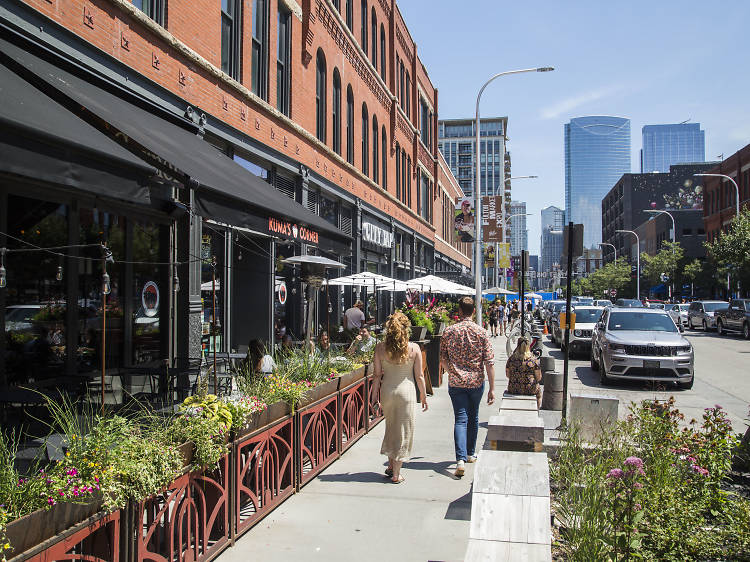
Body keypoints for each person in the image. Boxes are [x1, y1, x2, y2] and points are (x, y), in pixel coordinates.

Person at [440, 297, 495, 477]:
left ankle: (460, 459)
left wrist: (452, 372)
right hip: (476, 382)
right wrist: (493, 388)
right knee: (474, 417)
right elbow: (489, 362)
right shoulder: (481, 332)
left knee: (460, 419)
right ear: (473, 311)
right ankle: (470, 453)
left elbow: (443, 359)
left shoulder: (449, 331)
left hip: (456, 382)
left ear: (460, 311)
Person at [371, 311, 428, 484]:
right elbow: (419, 376)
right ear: (406, 329)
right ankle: (396, 474)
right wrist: (424, 395)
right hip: (407, 392)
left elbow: (376, 375)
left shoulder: (380, 348)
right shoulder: (414, 348)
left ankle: (390, 466)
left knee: (391, 427)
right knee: (403, 431)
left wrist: (374, 397)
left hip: (387, 391)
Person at [505, 336, 542, 408]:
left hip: (513, 388)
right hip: (530, 389)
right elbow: (539, 377)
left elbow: (507, 375)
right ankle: (537, 410)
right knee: (539, 395)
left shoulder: (511, 359)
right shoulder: (533, 360)